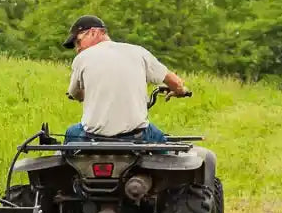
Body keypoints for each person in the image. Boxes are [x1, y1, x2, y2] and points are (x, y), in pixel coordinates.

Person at [62, 15, 188, 143]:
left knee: (71, 134)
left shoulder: (82, 58)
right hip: (137, 136)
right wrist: (180, 91)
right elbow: (175, 82)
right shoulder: (138, 52)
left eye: (78, 42)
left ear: (94, 32)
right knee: (163, 144)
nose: (78, 49)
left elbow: (75, 93)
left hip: (92, 136)